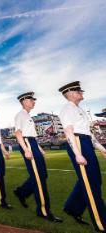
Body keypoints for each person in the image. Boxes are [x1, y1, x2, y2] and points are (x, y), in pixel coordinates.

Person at [59, 81, 106, 232]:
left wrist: (101, 148)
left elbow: (88, 133)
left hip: (85, 142)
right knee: (90, 184)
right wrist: (77, 154)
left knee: (94, 180)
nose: (82, 93)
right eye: (79, 91)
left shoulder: (79, 109)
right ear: (71, 93)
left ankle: (72, 207)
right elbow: (68, 132)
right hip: (78, 143)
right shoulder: (67, 109)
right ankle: (101, 224)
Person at [13, 92, 62, 223]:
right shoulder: (20, 115)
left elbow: (33, 136)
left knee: (42, 175)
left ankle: (21, 192)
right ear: (24, 101)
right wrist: (26, 150)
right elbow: (18, 133)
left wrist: (40, 149)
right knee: (39, 178)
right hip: (28, 144)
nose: (34, 101)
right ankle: (43, 211)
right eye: (31, 99)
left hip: (33, 144)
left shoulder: (28, 116)